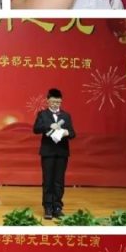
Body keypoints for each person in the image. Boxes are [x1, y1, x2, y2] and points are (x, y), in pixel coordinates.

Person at [32, 88, 75, 220]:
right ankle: (48, 207)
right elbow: (36, 129)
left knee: (59, 181)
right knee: (48, 180)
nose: (56, 104)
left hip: (62, 152)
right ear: (48, 101)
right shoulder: (43, 114)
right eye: (53, 102)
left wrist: (67, 133)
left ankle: (57, 207)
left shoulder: (66, 115)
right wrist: (49, 126)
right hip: (48, 152)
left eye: (58, 102)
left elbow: (73, 133)